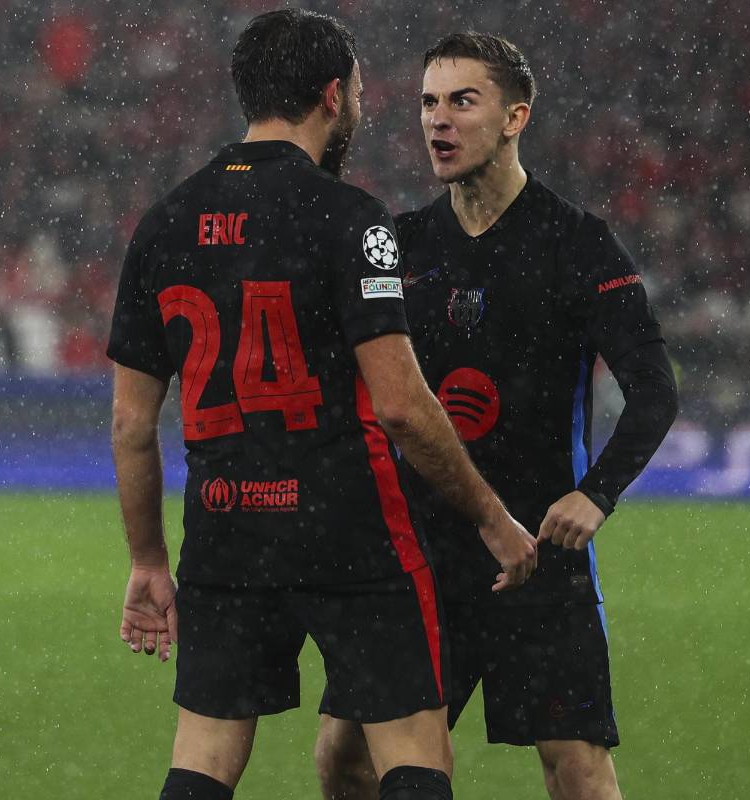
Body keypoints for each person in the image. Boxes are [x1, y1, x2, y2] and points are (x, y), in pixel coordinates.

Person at [107, 13, 537, 800]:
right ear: (334, 96)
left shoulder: (164, 223)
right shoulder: (351, 217)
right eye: (362, 93)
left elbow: (132, 426)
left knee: (203, 759)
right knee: (412, 753)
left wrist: (147, 562)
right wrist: (490, 517)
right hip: (350, 530)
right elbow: (401, 406)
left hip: (226, 530)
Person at [314, 33, 678, 800]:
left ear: (516, 117)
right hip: (420, 555)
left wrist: (597, 493)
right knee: (345, 757)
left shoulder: (577, 243)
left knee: (577, 770)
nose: (437, 120)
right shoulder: (400, 245)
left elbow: (654, 390)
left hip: (540, 556)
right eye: (427, 103)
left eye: (461, 101)